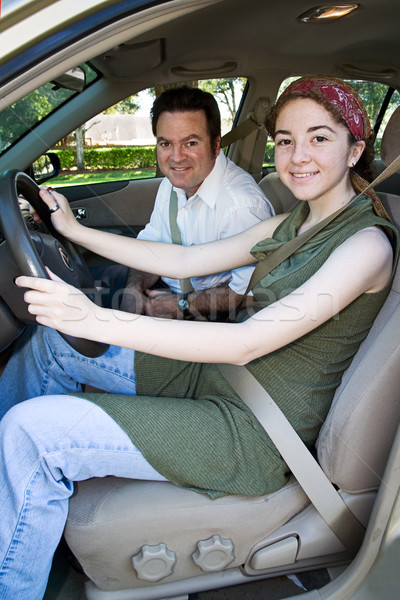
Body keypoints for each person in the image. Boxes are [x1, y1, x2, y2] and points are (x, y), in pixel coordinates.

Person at [0, 76, 398, 600]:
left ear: (356, 150)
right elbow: (187, 260)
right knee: (56, 345)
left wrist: (93, 318)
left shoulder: (366, 245)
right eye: (284, 140)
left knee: (32, 434)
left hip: (250, 430)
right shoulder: (293, 222)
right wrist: (74, 231)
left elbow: (245, 342)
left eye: (320, 138)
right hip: (216, 380)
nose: (298, 156)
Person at [91, 86, 274, 319]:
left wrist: (180, 305)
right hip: (163, 292)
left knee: (53, 343)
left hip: (205, 317)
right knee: (76, 289)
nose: (176, 158)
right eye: (166, 144)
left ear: (216, 145)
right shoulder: (171, 185)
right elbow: (150, 246)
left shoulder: (241, 206)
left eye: (191, 143)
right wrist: (133, 290)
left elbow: (254, 294)